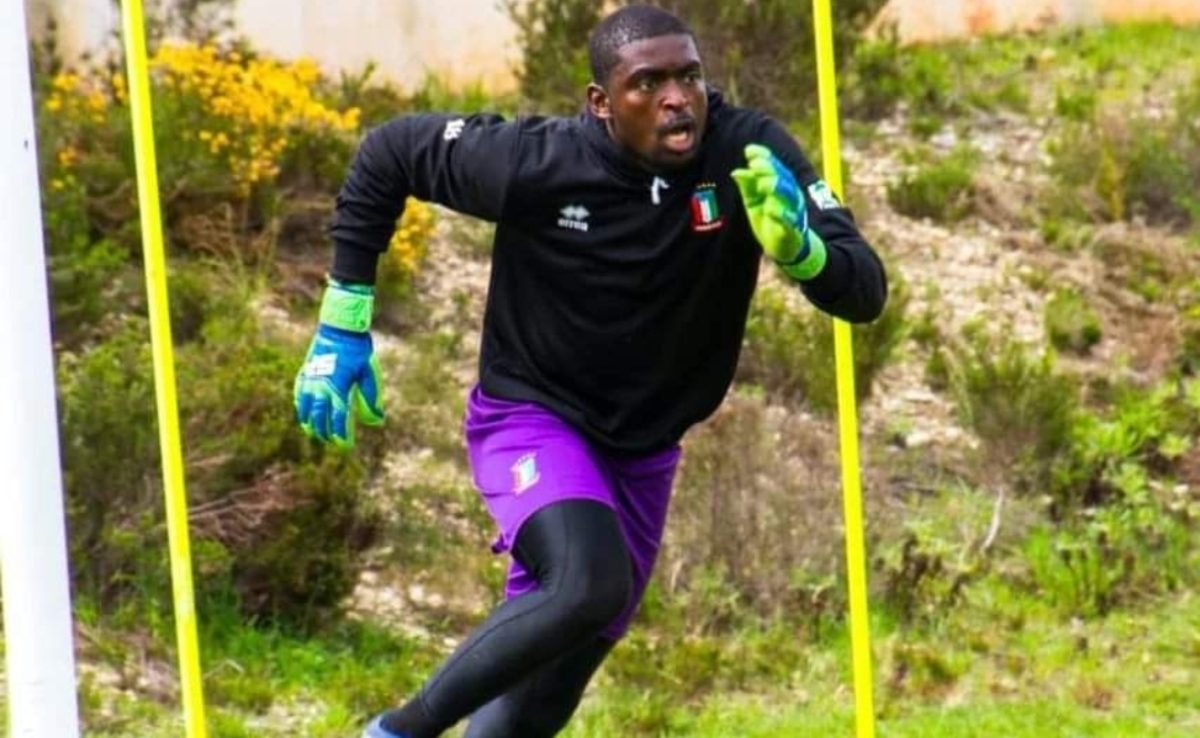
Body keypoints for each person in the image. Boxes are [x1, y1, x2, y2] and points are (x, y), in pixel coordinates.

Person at [292, 5, 887, 737]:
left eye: (690, 76)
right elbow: (387, 154)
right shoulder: (537, 162)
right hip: (533, 417)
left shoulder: (747, 151)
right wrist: (343, 323)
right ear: (601, 104)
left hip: (643, 452)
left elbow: (865, 291)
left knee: (542, 696)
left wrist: (803, 251)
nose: (677, 97)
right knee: (585, 583)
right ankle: (396, 731)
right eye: (649, 83)